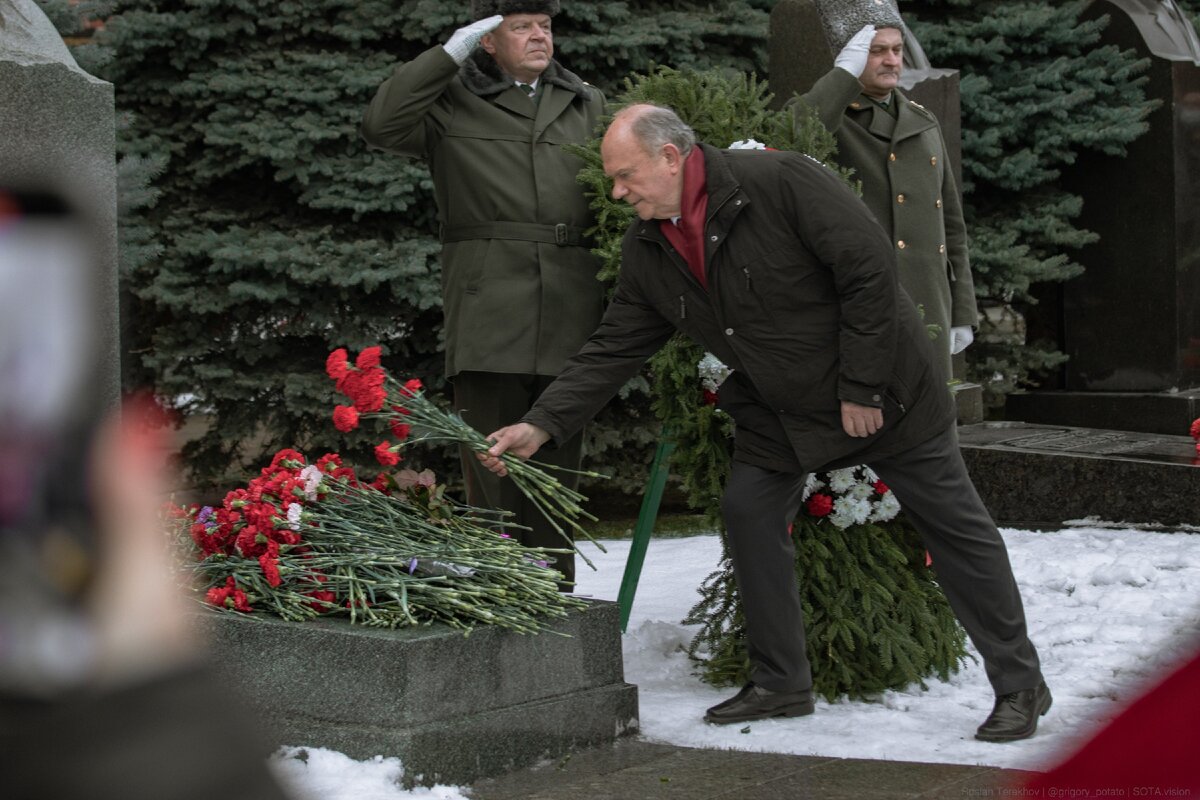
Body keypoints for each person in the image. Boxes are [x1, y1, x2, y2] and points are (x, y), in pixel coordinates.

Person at [477, 104, 1050, 741]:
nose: (616, 192)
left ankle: (1021, 685)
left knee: (956, 530)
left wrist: (861, 386)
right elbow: (615, 345)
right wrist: (542, 424)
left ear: (671, 157)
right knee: (750, 510)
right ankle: (782, 682)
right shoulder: (648, 244)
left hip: (884, 390)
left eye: (624, 175)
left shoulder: (781, 183)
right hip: (780, 405)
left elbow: (868, 274)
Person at [360, 1, 606, 587]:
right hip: (489, 305)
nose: (539, 36)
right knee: (492, 470)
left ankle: (555, 600)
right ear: (487, 41)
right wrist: (448, 55)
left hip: (572, 302)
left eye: (545, 26)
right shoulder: (451, 100)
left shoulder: (586, 102)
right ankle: (499, 595)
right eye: (521, 27)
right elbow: (381, 125)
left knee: (557, 473)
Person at [793, 22, 978, 380]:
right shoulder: (833, 118)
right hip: (866, 300)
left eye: (896, 50)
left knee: (930, 420)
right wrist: (841, 76)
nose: (892, 60)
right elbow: (791, 136)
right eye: (877, 51)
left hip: (928, 297)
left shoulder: (922, 120)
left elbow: (952, 226)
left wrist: (961, 310)